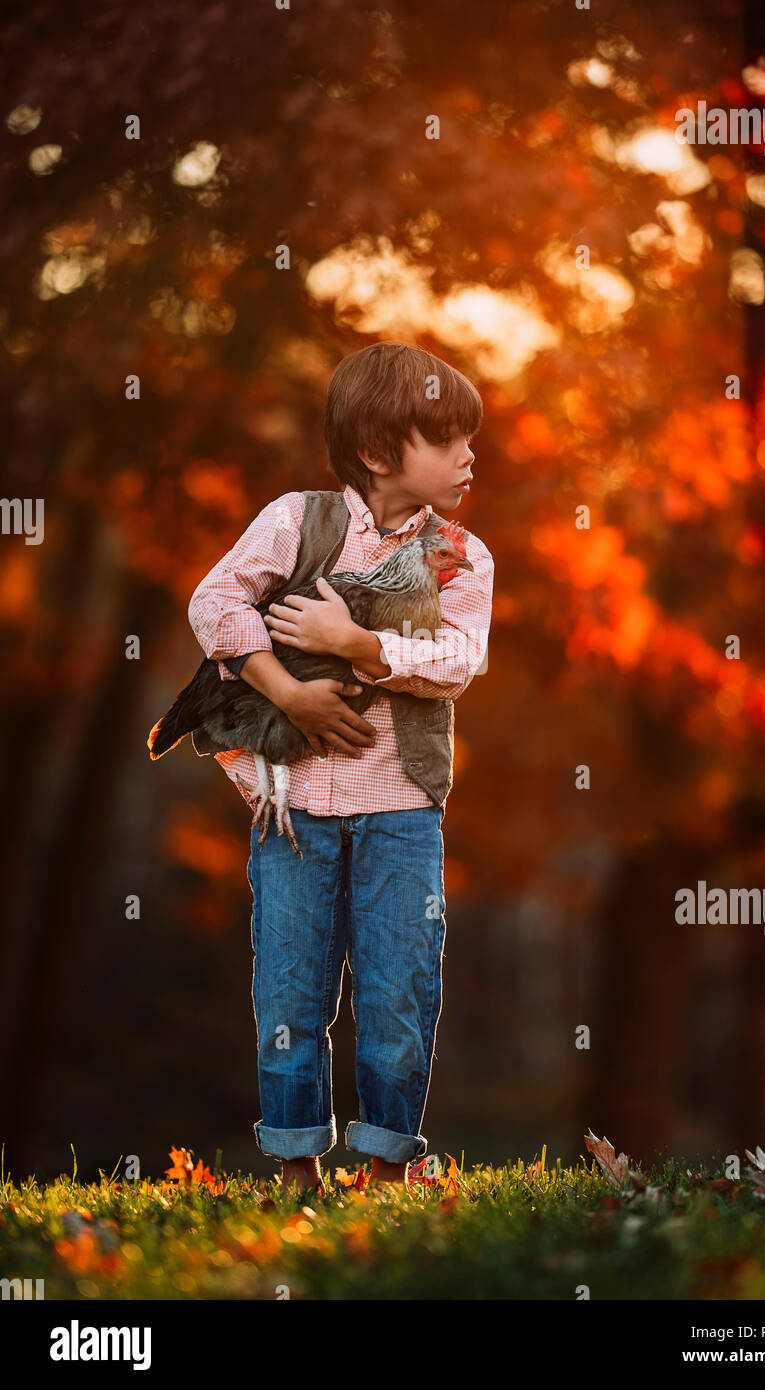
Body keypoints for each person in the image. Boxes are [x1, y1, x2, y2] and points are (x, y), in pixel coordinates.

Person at [187, 341, 494, 1194]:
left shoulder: (463, 554)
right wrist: (289, 691)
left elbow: (457, 661)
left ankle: (388, 1169)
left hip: (402, 809)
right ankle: (295, 1170)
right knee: (290, 989)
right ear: (377, 450)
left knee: (399, 989)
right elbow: (210, 602)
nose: (469, 456)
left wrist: (351, 645)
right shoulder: (296, 520)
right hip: (293, 805)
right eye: (447, 439)